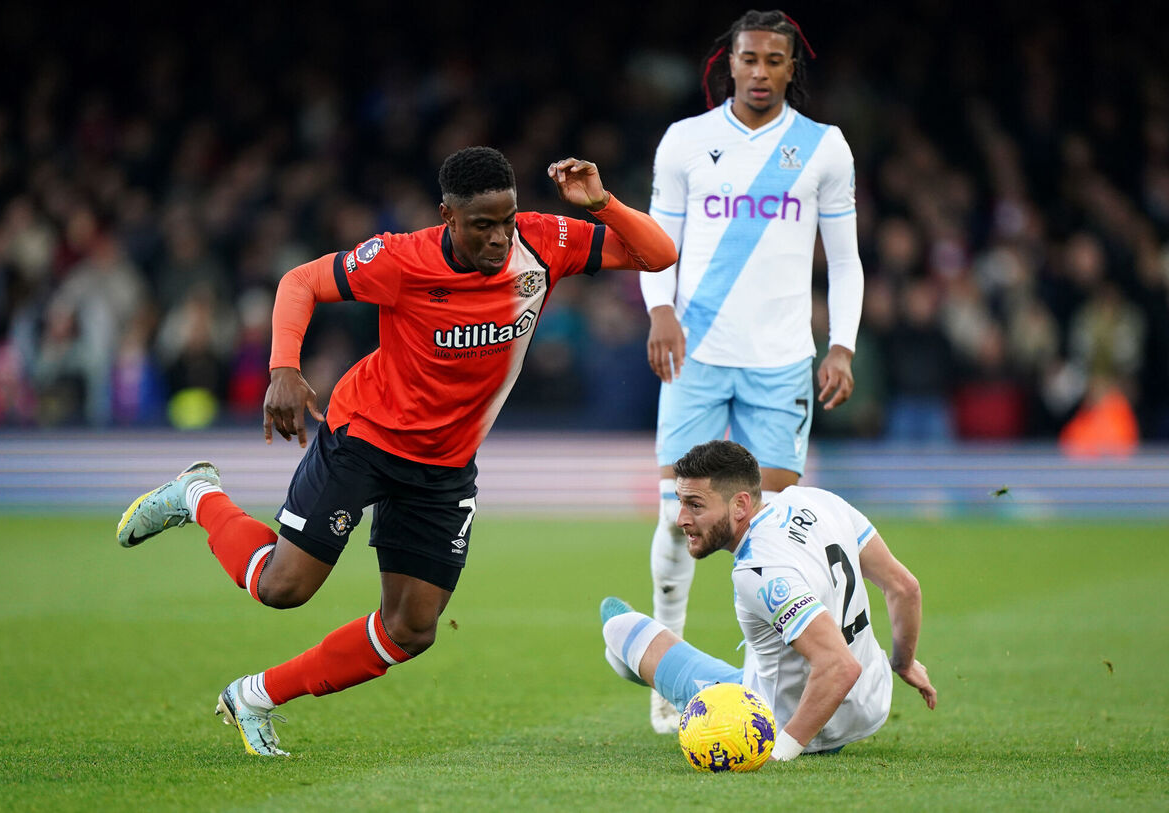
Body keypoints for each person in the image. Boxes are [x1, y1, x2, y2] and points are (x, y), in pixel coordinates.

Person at [116, 147, 677, 757]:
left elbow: (659, 255)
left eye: (506, 220)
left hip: (444, 467)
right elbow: (299, 281)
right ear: (447, 217)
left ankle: (253, 697)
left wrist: (601, 203)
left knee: (412, 629)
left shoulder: (544, 243)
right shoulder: (401, 259)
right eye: (480, 225)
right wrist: (283, 366)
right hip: (366, 438)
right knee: (282, 588)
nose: (497, 238)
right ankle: (198, 494)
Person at [639, 10, 865, 732]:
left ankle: (773, 677)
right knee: (681, 514)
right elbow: (654, 242)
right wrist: (659, 310)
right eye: (750, 59)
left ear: (793, 67)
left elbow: (848, 258)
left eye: (775, 61)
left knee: (764, 526)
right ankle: (666, 671)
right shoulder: (686, 142)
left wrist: (843, 343)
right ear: (727, 63)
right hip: (696, 353)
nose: (761, 72)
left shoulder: (823, 149)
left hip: (779, 361)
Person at [602, 440, 935, 759]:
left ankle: (627, 659)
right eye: (681, 502)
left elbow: (839, 666)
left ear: (741, 505)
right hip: (868, 704)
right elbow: (904, 587)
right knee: (767, 642)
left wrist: (781, 752)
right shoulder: (820, 500)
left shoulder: (757, 570)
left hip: (793, 720)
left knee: (618, 629)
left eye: (695, 505)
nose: (681, 519)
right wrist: (904, 664)